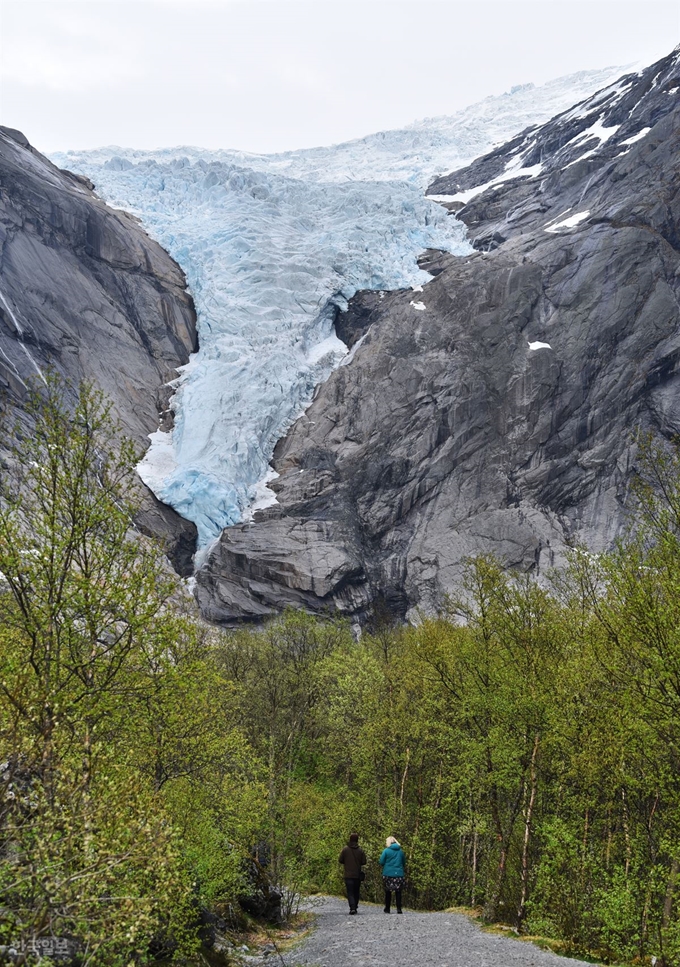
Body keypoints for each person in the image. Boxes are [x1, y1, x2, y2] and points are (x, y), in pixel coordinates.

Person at [339, 832, 367, 915]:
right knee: (356, 891)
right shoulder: (360, 850)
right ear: (357, 840)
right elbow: (364, 862)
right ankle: (355, 905)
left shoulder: (345, 850)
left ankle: (352, 907)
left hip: (348, 875)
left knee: (350, 892)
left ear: (350, 839)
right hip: (357, 875)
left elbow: (340, 860)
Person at [379, 836, 405, 913]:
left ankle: (387, 908)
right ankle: (399, 909)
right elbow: (403, 862)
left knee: (388, 891)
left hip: (388, 873)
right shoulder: (400, 852)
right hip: (399, 874)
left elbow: (381, 862)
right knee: (398, 891)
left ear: (388, 842)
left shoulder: (386, 851)